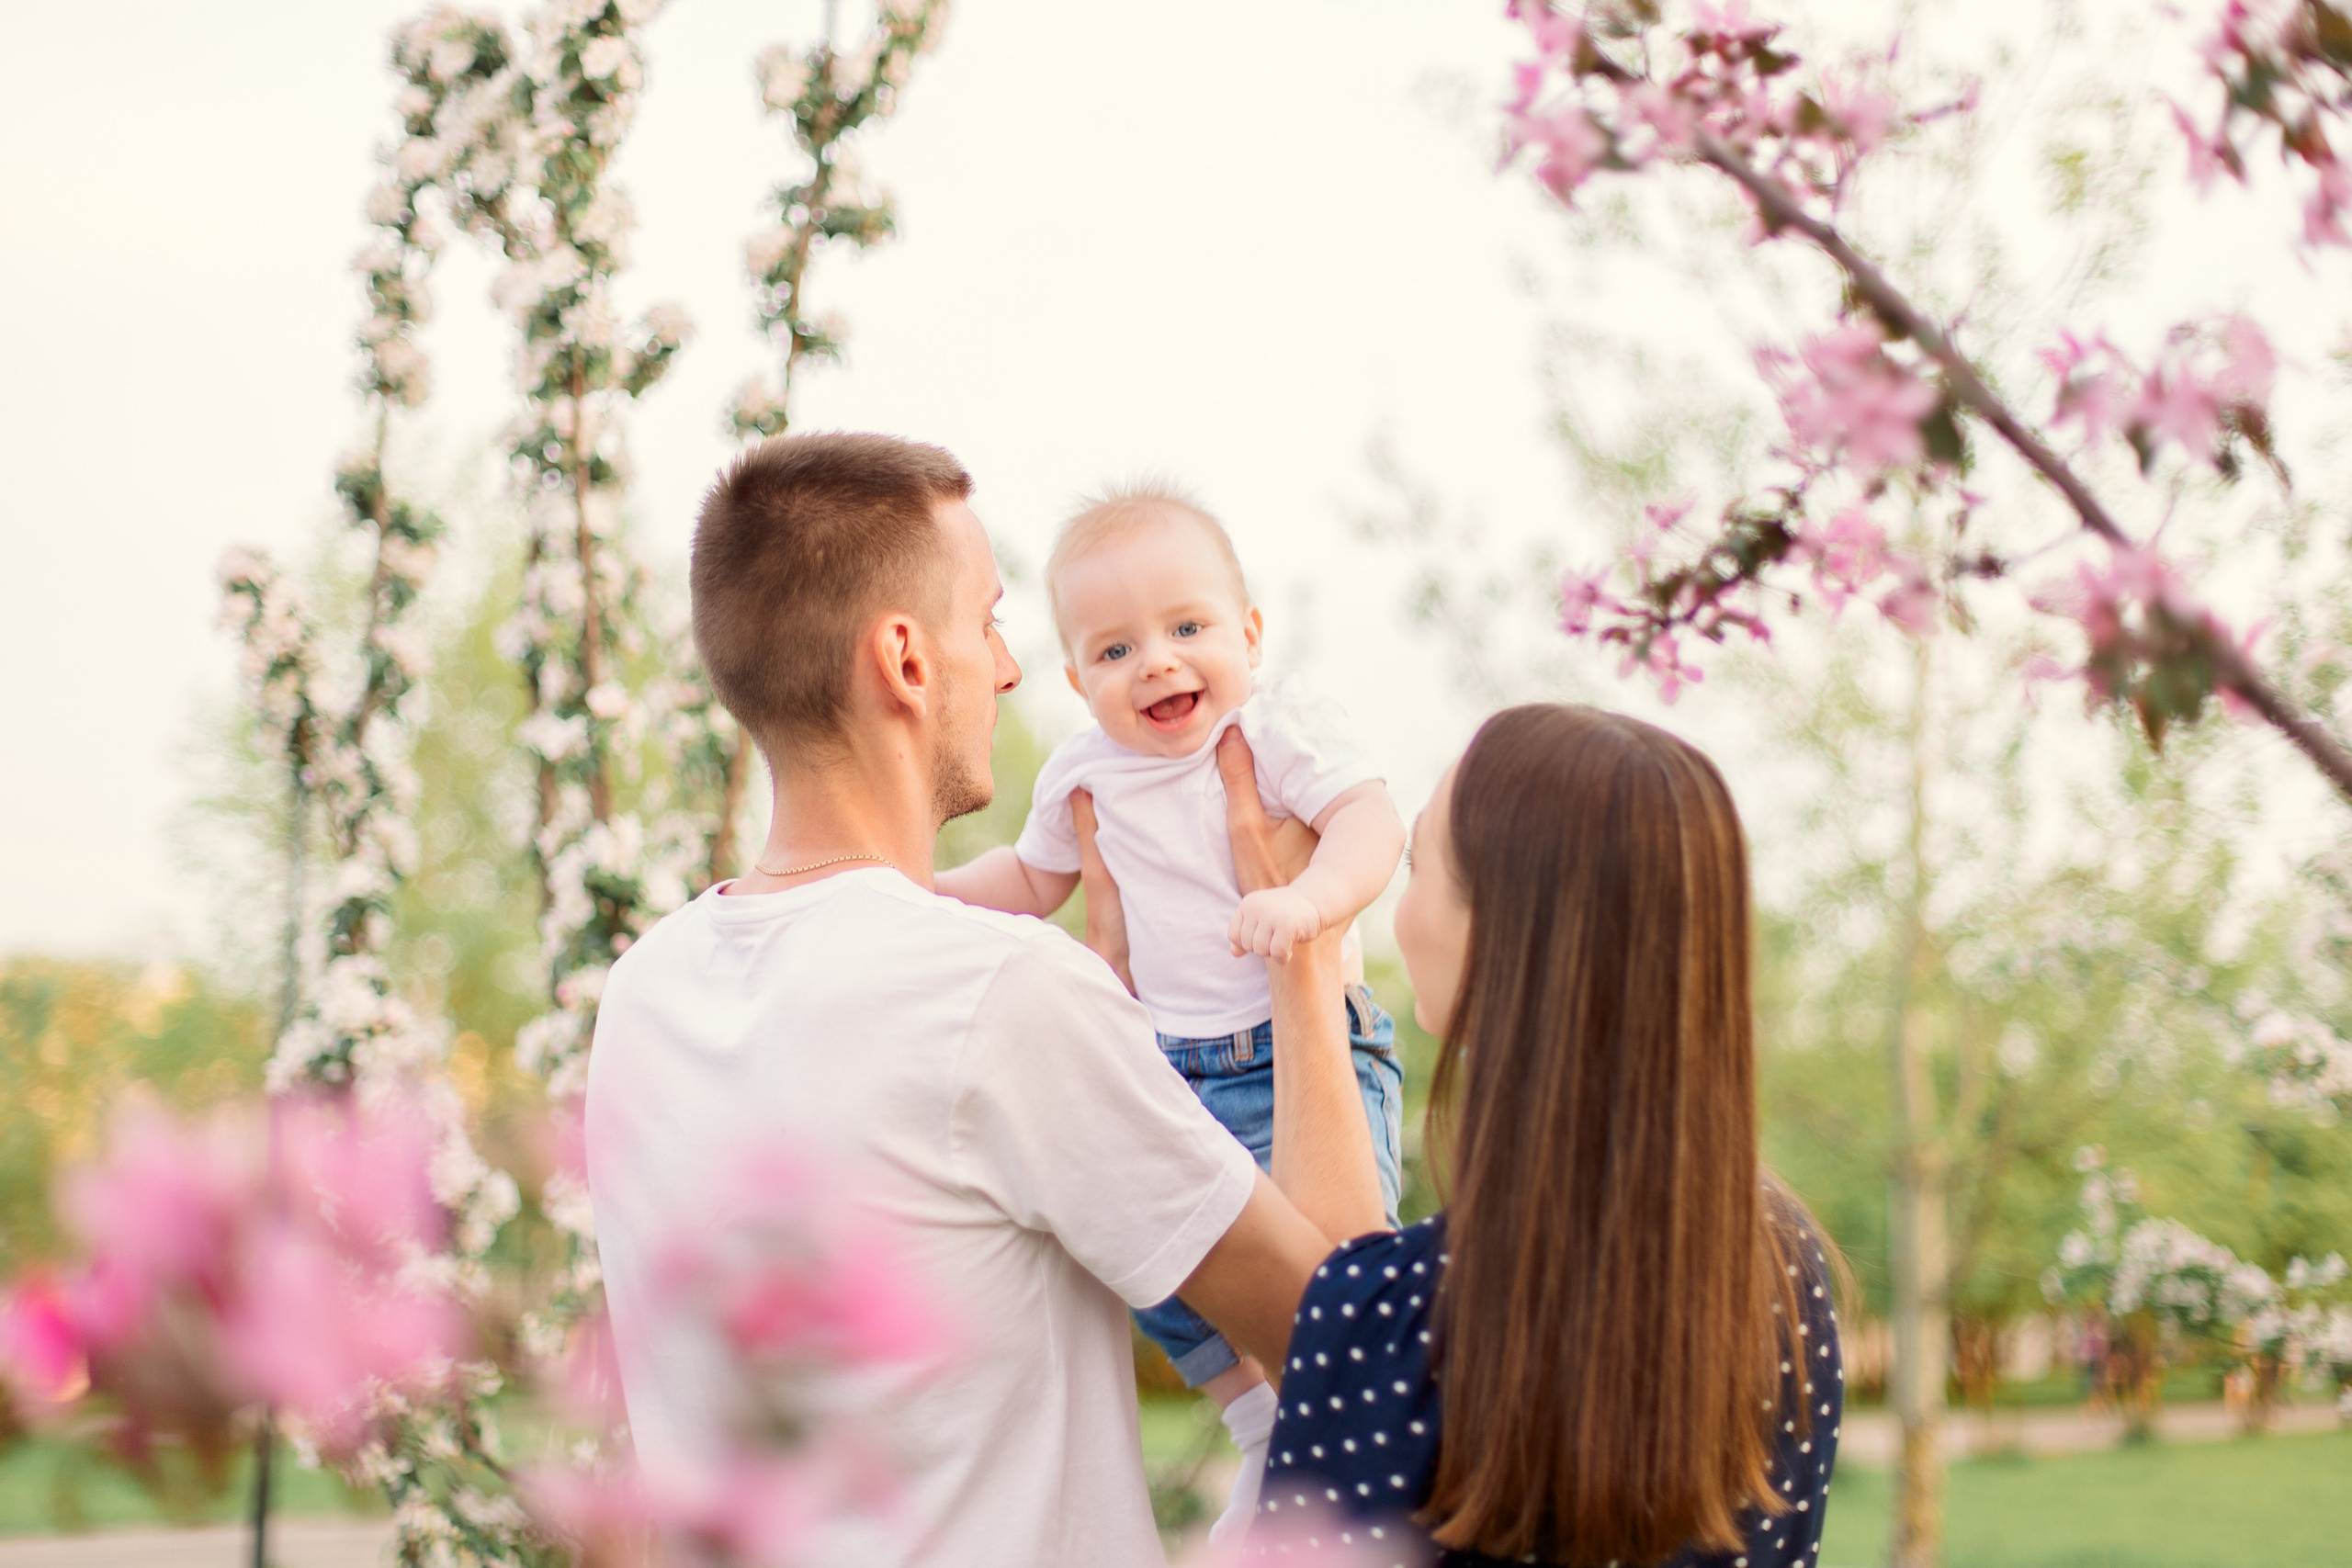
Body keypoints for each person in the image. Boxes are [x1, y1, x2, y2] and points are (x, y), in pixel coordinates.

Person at [582, 434, 1387, 1568]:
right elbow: (1347, 1350)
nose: (1009, 669)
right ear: (908, 659)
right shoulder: (997, 989)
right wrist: (1304, 956)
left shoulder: (641, 995)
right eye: (991, 621)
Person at [1250, 705, 1846, 1567]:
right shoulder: (1780, 1269)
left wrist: (1300, 960)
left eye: (1417, 865)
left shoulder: (1410, 1320)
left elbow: (1355, 1307)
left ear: (1500, 936)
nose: (1396, 910)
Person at [934, 482, 1408, 1529]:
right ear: (1075, 678)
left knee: (1329, 1282)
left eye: (1187, 628)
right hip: (1165, 1064)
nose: (1154, 661)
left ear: (1247, 631)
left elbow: (1369, 819)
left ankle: (1306, 1424)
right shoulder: (1083, 769)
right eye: (1114, 650)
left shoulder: (1277, 725)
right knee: (1137, 1249)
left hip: (1295, 1057)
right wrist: (916, 890)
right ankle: (1250, 1415)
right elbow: (1028, 879)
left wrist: (1310, 902)